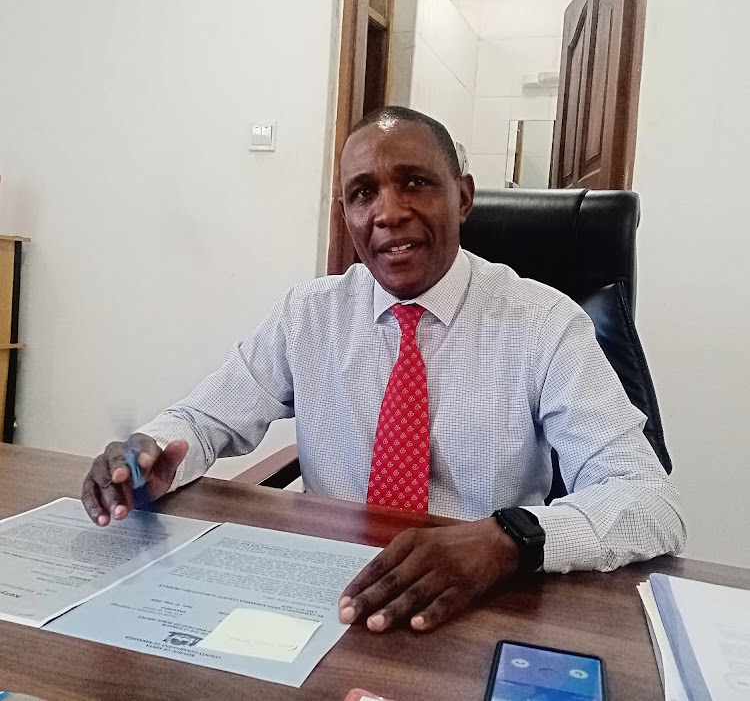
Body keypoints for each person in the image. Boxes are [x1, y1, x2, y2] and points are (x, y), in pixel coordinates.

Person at [81, 106, 686, 633]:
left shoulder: (543, 323)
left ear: (464, 196)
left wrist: (507, 540)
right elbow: (205, 418)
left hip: (478, 599)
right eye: (364, 193)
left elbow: (649, 503)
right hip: (327, 594)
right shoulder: (308, 314)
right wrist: (152, 452)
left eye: (415, 183)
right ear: (345, 212)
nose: (388, 213)